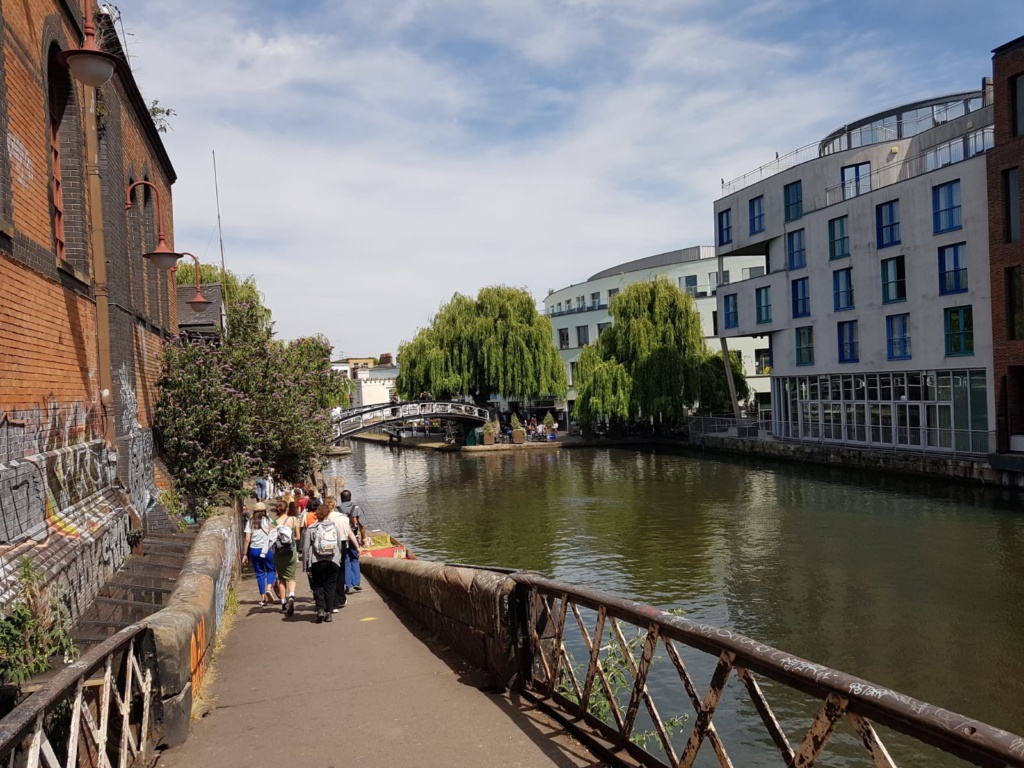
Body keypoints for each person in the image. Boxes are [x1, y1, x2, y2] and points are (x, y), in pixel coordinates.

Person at [301, 502, 344, 623]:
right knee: (330, 586)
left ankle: (320, 609)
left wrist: (305, 564)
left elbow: (305, 548)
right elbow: (339, 544)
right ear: (327, 514)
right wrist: (339, 558)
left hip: (317, 561)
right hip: (332, 560)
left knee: (318, 585)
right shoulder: (333, 527)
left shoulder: (311, 528)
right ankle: (329, 612)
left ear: (317, 515)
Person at [323, 496, 361, 611]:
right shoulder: (343, 517)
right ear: (335, 504)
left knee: (329, 573)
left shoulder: (323, 517)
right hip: (342, 545)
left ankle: (332, 599)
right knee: (340, 572)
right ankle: (341, 598)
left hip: (327, 545)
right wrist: (357, 547)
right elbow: (350, 533)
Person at [270, 498, 301, 616]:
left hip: (279, 553)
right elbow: (298, 537)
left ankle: (283, 603)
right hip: (291, 552)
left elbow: (271, 540)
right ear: (287, 509)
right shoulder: (293, 520)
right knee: (291, 577)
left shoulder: (273, 523)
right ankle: (291, 595)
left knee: (281, 578)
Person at [241, 503, 276, 606]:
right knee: (271, 570)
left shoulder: (250, 521)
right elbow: (273, 534)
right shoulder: (269, 520)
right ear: (264, 511)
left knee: (260, 573)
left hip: (254, 549)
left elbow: (247, 539)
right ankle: (269, 588)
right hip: (267, 549)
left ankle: (263, 598)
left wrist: (245, 554)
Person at [340, 490, 364, 594]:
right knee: (355, 559)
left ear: (341, 498)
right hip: (354, 537)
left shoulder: (337, 510)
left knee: (345, 561)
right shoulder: (357, 509)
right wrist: (363, 538)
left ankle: (348, 585)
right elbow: (362, 526)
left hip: (343, 538)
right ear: (350, 497)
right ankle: (356, 582)